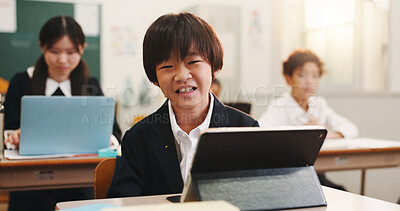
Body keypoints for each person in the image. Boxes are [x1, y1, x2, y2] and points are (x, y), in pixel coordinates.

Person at [106, 12, 259, 198]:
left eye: (193, 62)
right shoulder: (138, 139)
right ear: (154, 78)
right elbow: (121, 202)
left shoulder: (246, 130)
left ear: (215, 66)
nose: (182, 76)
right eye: (167, 66)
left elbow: (258, 196)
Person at [3, 16, 121, 211]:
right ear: (42, 47)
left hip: (78, 187)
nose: (62, 60)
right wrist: (13, 136)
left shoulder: (89, 85)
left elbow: (116, 134)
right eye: (54, 51)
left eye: (71, 52)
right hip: (29, 187)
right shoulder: (21, 82)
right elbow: (6, 133)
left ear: (82, 48)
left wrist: (106, 138)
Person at [258, 49, 358, 190]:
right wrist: (302, 133)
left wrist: (323, 134)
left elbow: (351, 128)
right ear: (288, 78)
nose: (310, 81)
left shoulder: (320, 105)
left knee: (343, 191)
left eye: (315, 76)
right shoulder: (279, 106)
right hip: (288, 178)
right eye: (302, 75)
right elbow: (261, 132)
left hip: (318, 175)